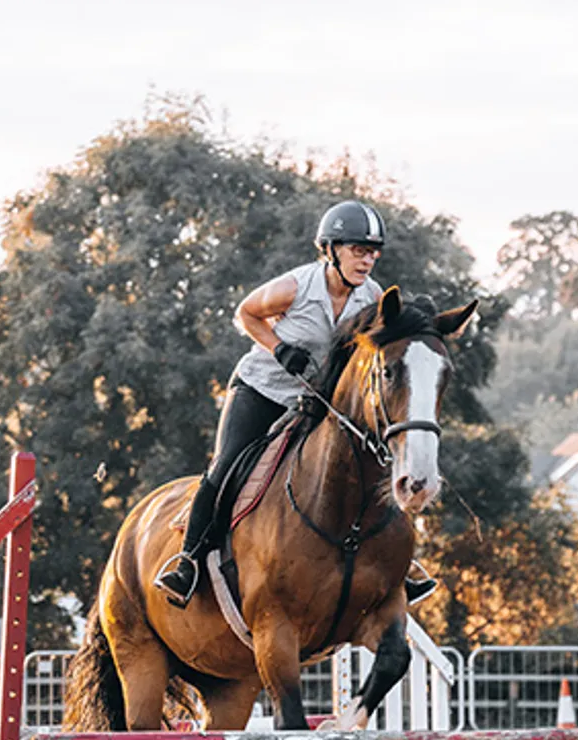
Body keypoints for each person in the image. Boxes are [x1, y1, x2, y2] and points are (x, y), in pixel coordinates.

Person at [155, 200, 435, 608]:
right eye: (359, 250)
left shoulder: (372, 296)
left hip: (318, 399)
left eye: (373, 253)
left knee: (370, 462)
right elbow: (246, 314)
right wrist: (279, 348)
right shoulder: (297, 287)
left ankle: (397, 564)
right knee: (228, 463)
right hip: (263, 389)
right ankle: (188, 561)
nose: (367, 260)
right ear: (331, 249)